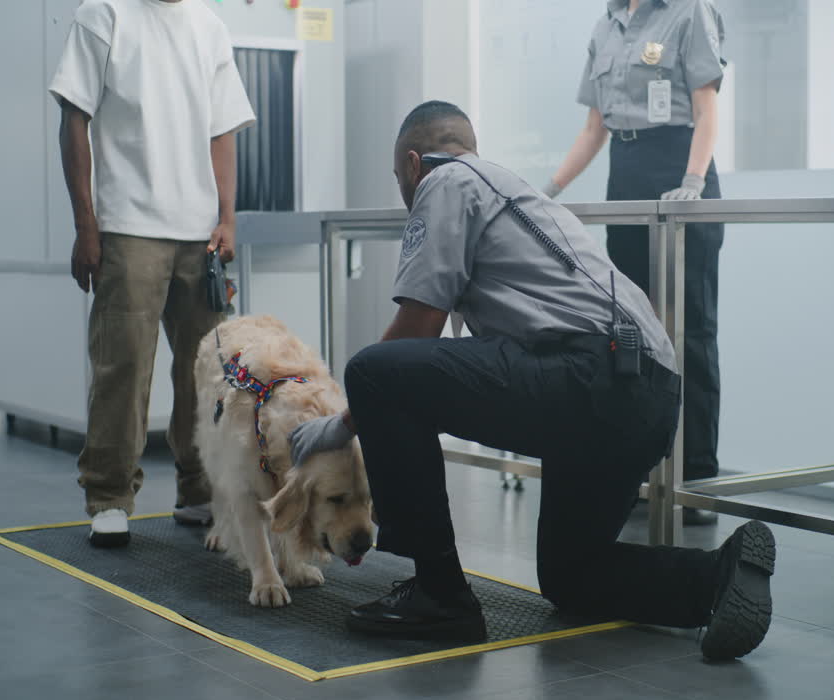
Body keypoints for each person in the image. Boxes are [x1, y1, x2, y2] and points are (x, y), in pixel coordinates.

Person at [289, 101, 776, 662]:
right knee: (572, 577)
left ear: (413, 163)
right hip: (650, 392)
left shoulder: (446, 181)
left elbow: (416, 327)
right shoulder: (515, 191)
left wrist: (341, 425)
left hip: (587, 374)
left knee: (373, 372)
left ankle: (439, 594)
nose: (406, 193)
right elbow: (438, 338)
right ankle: (719, 575)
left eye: (402, 180)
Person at [49, 0, 255, 546]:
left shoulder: (209, 25)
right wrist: (85, 224)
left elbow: (222, 130)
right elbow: (74, 119)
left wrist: (228, 217)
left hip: (200, 233)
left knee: (208, 371)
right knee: (124, 367)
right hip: (128, 226)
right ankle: (109, 497)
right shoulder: (104, 14)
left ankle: (199, 490)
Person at [543, 0, 726, 526]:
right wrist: (547, 192)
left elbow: (706, 107)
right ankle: (643, 473)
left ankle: (695, 478)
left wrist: (692, 183)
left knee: (690, 329)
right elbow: (594, 129)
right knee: (631, 333)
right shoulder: (607, 25)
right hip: (625, 175)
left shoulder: (690, 12)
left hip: (678, 164)